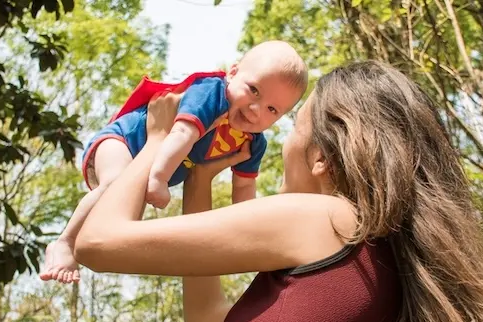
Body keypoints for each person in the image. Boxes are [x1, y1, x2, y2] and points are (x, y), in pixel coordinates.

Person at [73, 60, 483, 322]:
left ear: (321, 158)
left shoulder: (324, 220)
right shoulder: (392, 263)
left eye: (293, 126)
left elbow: (98, 242)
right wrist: (200, 179)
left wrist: (156, 140)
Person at [40, 40, 308, 283]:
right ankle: (65, 242)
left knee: (124, 220)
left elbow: (244, 189)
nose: (256, 110)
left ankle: (85, 244)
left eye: (272, 109)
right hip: (124, 140)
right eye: (254, 91)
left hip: (148, 166)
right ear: (233, 73)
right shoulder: (211, 93)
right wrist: (158, 178)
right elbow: (182, 133)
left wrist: (251, 232)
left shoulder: (252, 143)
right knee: (114, 183)